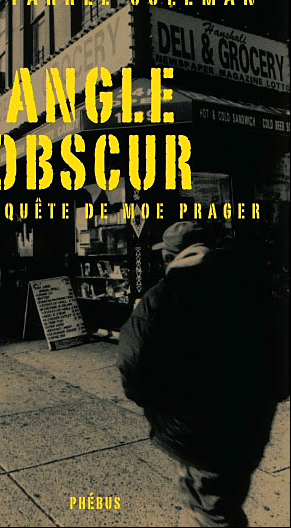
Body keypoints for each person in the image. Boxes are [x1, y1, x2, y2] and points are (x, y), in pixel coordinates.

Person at [117, 221, 284, 527]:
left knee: (210, 510)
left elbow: (132, 363)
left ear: (171, 257)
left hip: (197, 434)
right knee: (221, 500)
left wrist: (157, 407)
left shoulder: (161, 297)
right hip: (251, 426)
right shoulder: (254, 287)